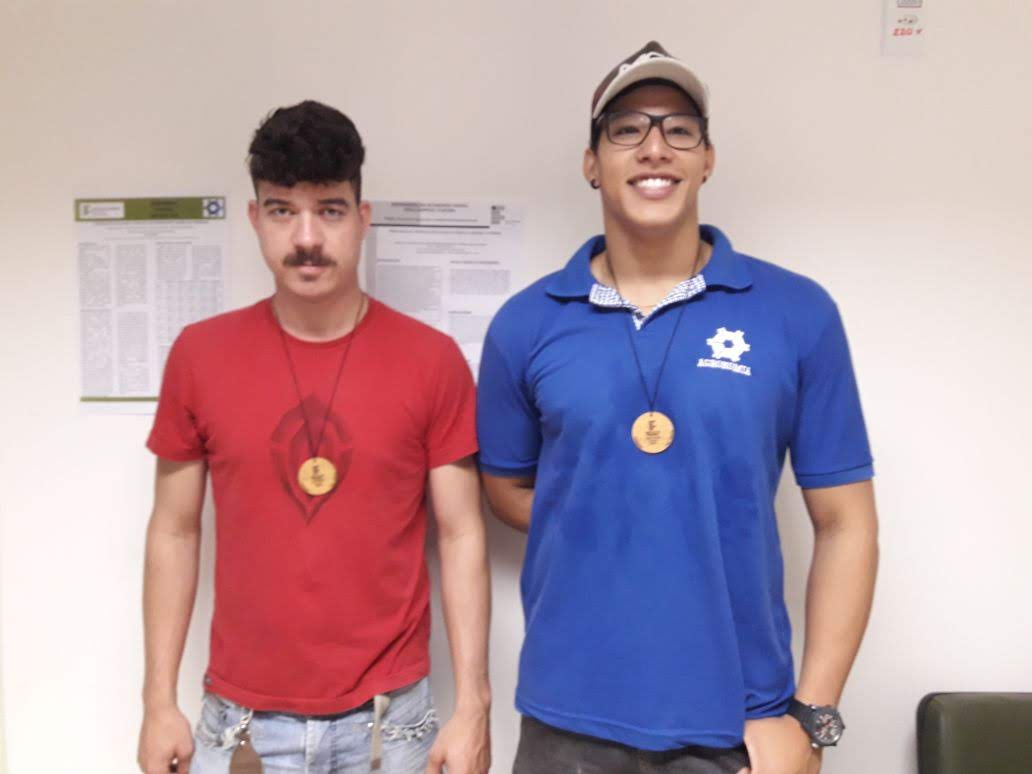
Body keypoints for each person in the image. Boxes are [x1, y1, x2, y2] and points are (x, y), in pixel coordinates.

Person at [477, 42, 879, 774]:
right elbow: (505, 489)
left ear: (707, 159)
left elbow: (846, 523)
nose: (654, 148)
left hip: (738, 723)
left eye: (680, 130)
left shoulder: (797, 313)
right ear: (592, 162)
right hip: (565, 721)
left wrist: (812, 717)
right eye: (627, 129)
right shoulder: (525, 323)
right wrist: (613, 509)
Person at [136, 100, 491, 774]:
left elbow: (462, 534)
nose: (306, 237)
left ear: (362, 217)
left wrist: (474, 707)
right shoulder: (199, 356)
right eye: (282, 210)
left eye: (329, 210)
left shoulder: (432, 360)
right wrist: (157, 702)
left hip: (392, 723)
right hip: (241, 724)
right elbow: (174, 531)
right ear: (254, 218)